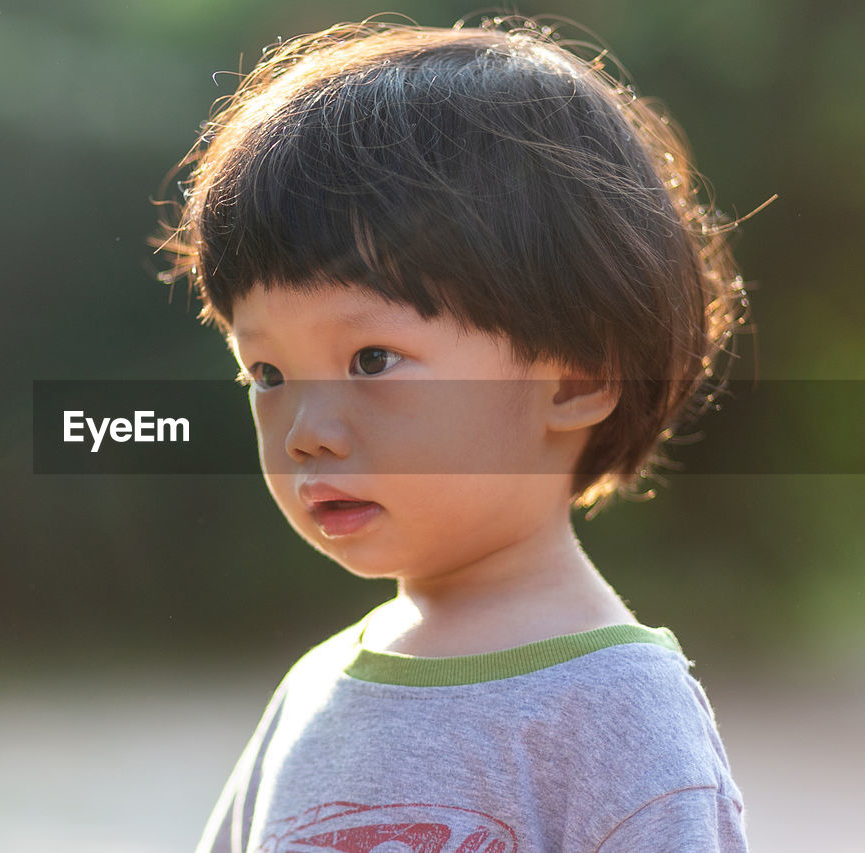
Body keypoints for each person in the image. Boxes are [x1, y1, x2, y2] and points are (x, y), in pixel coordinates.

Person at [152, 15, 751, 853]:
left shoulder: (616, 710)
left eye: (370, 358)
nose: (306, 433)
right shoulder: (317, 688)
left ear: (575, 376)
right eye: (268, 374)